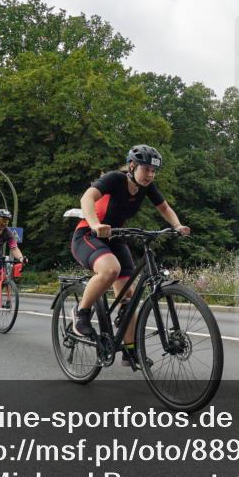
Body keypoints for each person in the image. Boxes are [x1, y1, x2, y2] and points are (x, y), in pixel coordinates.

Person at [70, 145, 189, 363]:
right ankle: (82, 314)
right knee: (110, 269)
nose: (150, 175)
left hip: (116, 238)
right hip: (88, 234)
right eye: (146, 169)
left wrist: (177, 225)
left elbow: (164, 208)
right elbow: (86, 198)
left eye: (154, 171)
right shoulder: (114, 179)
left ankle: (130, 351)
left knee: (129, 298)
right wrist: (96, 224)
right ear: (132, 166)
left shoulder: (147, 187)